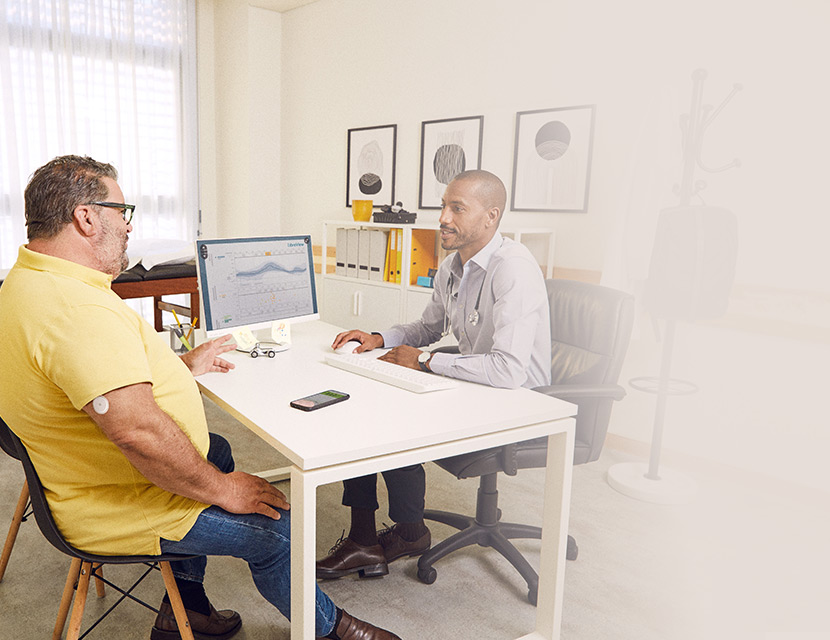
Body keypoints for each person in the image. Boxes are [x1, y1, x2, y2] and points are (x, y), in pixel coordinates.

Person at [0, 156, 401, 640]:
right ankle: (332, 630)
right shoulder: (76, 309)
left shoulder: (28, 281)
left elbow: (89, 375)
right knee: (275, 525)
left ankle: (183, 610)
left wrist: (179, 367)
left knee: (217, 449)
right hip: (115, 500)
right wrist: (224, 490)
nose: (127, 227)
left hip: (78, 473)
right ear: (86, 217)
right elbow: (137, 432)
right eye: (121, 211)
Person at [317, 169, 551, 579]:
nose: (443, 217)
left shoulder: (513, 268)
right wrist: (377, 337)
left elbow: (508, 370)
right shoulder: (452, 266)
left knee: (394, 416)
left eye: (457, 208)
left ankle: (407, 531)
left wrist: (424, 362)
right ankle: (366, 539)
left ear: (490, 217)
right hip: (477, 384)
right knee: (374, 402)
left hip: (519, 404)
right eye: (444, 205)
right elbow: (427, 328)